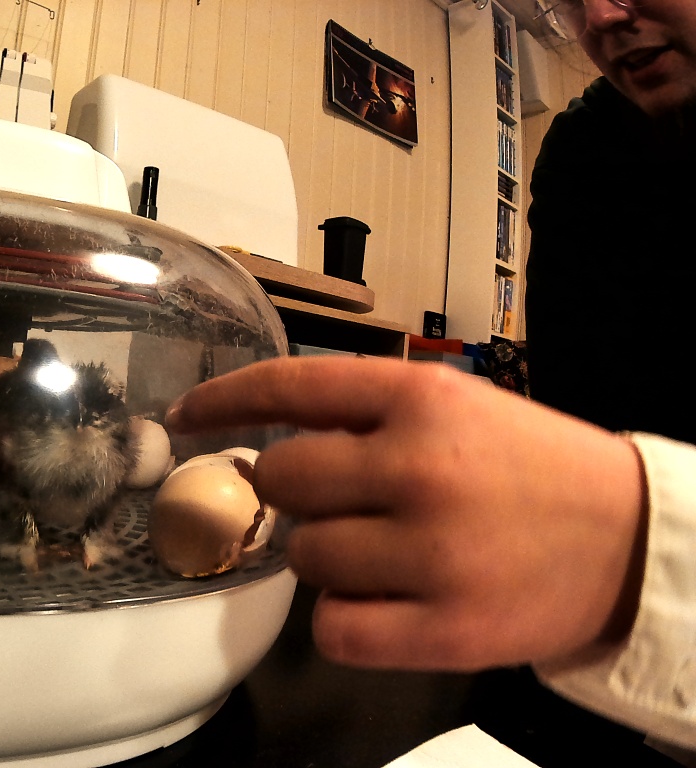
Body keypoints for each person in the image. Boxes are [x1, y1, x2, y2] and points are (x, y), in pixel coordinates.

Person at [167, 0, 696, 756]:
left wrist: (643, 547)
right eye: (571, 0)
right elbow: (577, 390)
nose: (602, 16)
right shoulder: (584, 151)